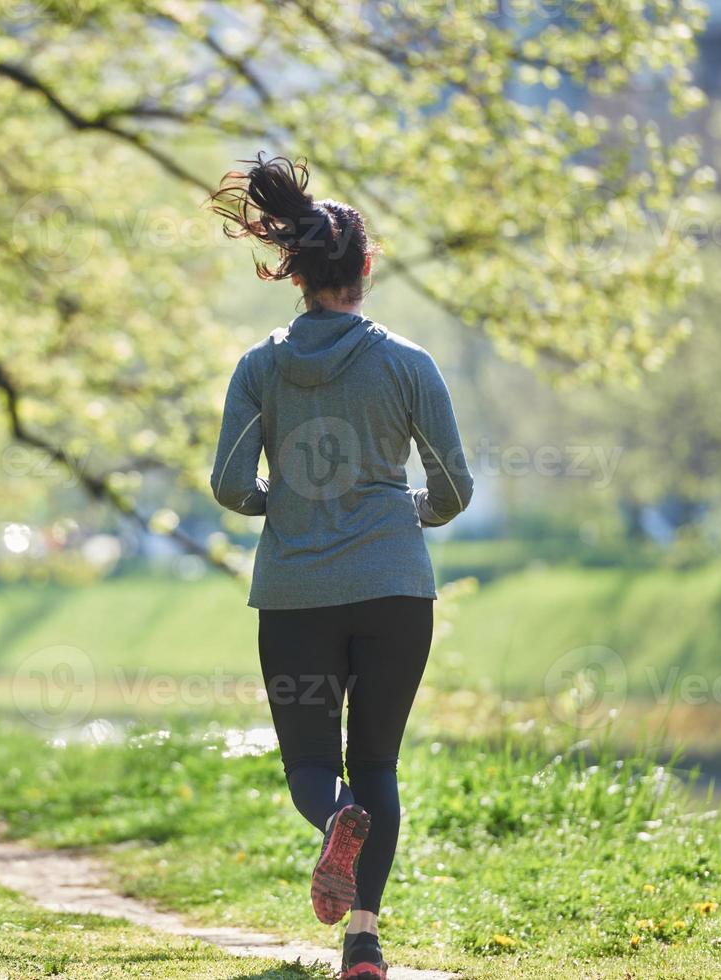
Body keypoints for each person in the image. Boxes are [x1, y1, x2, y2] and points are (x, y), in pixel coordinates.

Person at [208, 154, 474, 980]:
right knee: (382, 762)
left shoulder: (260, 366)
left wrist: (281, 507)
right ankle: (362, 939)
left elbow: (226, 483)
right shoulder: (408, 364)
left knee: (312, 768)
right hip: (395, 590)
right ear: (364, 267)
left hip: (295, 594)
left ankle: (337, 818)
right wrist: (401, 516)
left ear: (294, 270)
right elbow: (454, 487)